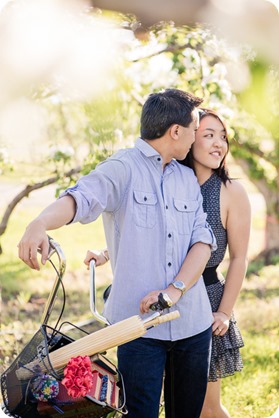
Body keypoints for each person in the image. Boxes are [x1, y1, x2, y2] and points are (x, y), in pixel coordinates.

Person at [18, 89, 217, 418]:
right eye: (195, 129)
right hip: (137, 330)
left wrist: (173, 292)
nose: (197, 137)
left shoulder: (186, 179)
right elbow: (81, 198)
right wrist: (39, 223)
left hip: (193, 326)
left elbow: (201, 242)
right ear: (176, 131)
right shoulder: (122, 168)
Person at [86, 108, 251, 418]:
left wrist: (224, 312)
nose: (219, 144)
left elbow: (240, 259)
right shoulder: (168, 176)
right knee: (151, 396)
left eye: (223, 137)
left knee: (206, 407)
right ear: (187, 137)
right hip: (155, 299)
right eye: (208, 135)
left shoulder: (230, 191)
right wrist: (106, 253)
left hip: (206, 300)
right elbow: (147, 230)